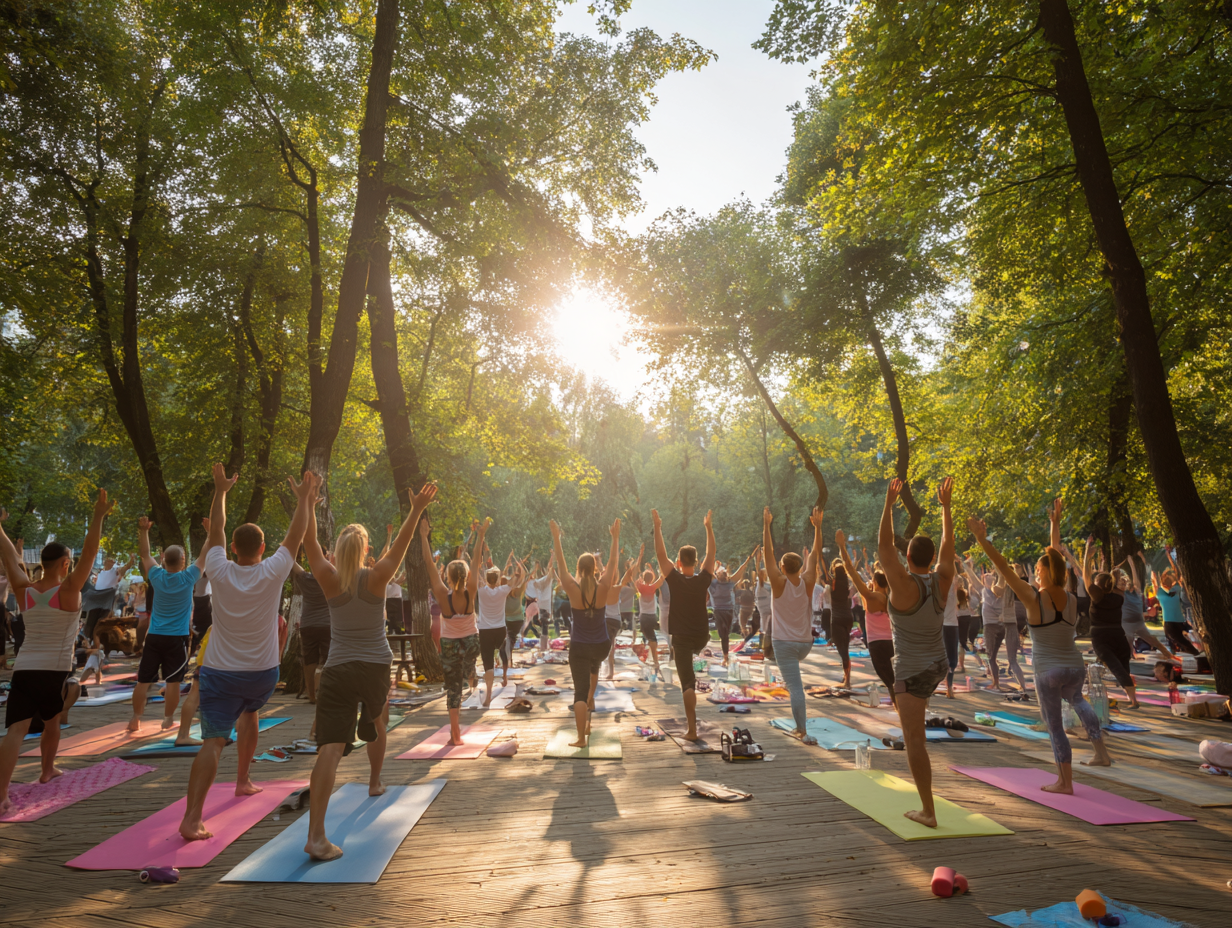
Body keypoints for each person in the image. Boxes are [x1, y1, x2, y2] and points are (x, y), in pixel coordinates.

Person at [178, 464, 317, 842]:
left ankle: (192, 819)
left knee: (213, 741)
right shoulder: (274, 570)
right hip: (261, 672)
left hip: (220, 671)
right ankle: (243, 780)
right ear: (262, 547)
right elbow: (296, 535)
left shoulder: (219, 568)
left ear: (234, 549)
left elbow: (218, 531)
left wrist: (221, 491)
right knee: (252, 712)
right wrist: (304, 499)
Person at [300, 481, 436, 861]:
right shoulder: (377, 578)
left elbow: (308, 541)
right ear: (364, 551)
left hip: (338, 669)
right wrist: (415, 509)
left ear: (339, 551)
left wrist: (307, 503)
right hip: (375, 665)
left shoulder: (327, 578)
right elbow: (404, 543)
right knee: (376, 720)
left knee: (329, 749)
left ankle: (315, 836)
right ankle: (375, 782)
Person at [971, 499, 1111, 792]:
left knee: (1055, 726)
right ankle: (1101, 753)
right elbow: (1056, 557)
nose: (1034, 571)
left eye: (1037, 568)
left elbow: (1002, 568)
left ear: (1045, 572)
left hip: (1048, 670)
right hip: (1074, 666)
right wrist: (1054, 525)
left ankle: (1065, 782)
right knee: (1079, 702)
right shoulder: (1071, 597)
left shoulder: (1034, 598)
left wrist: (983, 540)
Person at [0, 491, 111, 814]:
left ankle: (10, 790)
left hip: (25, 668)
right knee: (52, 721)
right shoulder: (68, 589)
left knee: (17, 731)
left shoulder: (24, 590)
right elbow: (91, 551)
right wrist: (98, 515)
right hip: (55, 670)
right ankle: (46, 770)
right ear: (65, 564)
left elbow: (9, 556)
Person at [879, 477, 955, 829]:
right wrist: (945, 508)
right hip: (939, 664)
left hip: (912, 672)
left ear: (908, 555)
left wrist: (888, 505)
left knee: (914, 741)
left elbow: (883, 550)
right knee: (916, 736)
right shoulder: (941, 580)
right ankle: (926, 806)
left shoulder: (904, 585)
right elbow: (947, 550)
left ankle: (928, 811)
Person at [127, 516, 209, 733]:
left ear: (164, 559)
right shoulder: (188, 577)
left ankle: (135, 718)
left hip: (154, 637)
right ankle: (168, 718)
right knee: (173, 682)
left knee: (143, 681)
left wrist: (143, 530)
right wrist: (210, 533)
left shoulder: (156, 576)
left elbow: (144, 554)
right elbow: (204, 555)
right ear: (183, 560)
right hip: (177, 639)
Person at [551, 518, 621, 747]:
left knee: (579, 693)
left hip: (580, 647)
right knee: (592, 678)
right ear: (595, 568)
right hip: (601, 646)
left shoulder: (571, 588)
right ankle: (589, 722)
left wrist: (557, 537)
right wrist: (615, 537)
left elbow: (560, 564)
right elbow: (612, 561)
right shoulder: (603, 588)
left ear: (579, 569)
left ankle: (581, 738)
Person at [652, 508, 716, 742]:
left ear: (678, 562)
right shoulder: (702, 579)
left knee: (687, 683)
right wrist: (708, 528)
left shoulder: (675, 579)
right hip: (701, 636)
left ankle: (692, 730)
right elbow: (712, 553)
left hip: (682, 637)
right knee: (690, 662)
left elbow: (660, 554)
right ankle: (691, 727)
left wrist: (657, 527)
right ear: (696, 562)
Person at [421, 516, 485, 744]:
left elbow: (429, 564)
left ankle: (455, 733)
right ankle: (470, 670)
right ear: (466, 577)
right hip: (471, 643)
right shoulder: (471, 591)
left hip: (449, 644)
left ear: (447, 577)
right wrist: (481, 534)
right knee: (467, 664)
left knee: (453, 689)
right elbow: (476, 559)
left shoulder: (441, 593)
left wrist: (423, 537)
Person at [763, 506, 823, 743]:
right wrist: (817, 528)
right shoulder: (808, 581)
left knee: (795, 688)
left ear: (783, 567)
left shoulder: (778, 583)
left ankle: (802, 729)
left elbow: (767, 553)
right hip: (805, 644)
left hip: (784, 645)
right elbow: (816, 554)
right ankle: (800, 727)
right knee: (794, 684)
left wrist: (766, 525)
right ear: (800, 567)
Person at [1082, 537, 1139, 709]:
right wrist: (1114, 575)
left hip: (1101, 636)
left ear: (1098, 586)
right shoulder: (1119, 596)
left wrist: (1087, 554)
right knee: (1122, 666)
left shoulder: (1097, 597)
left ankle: (1132, 700)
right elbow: (1112, 585)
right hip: (1118, 635)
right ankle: (1133, 699)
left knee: (1115, 667)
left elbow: (1086, 576)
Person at [838, 533, 894, 696]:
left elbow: (849, 569)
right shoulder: (892, 598)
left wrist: (842, 546)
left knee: (890, 682)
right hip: (892, 643)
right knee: (894, 682)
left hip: (877, 644)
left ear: (875, 582)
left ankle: (904, 713)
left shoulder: (870, 597)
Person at [476, 556, 522, 706]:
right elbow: (517, 579)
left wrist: (477, 566)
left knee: (488, 663)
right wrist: (518, 568)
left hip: (485, 631)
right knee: (502, 652)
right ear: (497, 580)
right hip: (500, 630)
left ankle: (488, 695)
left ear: (486, 579)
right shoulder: (503, 590)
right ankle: (503, 674)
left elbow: (475, 576)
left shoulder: (481, 591)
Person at [289, 556, 333, 704]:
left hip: (308, 625)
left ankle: (311, 695)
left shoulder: (305, 579)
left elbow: (291, 561)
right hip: (328, 625)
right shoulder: (331, 579)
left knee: (309, 660)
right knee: (326, 659)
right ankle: (322, 689)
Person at [1121, 553, 1173, 661]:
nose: (1127, 584)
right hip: (1127, 623)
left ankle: (1168, 654)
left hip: (1138, 622)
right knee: (1128, 640)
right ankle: (1129, 657)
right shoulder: (1122, 594)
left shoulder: (1137, 592)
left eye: (1127, 582)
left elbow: (1136, 579)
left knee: (1151, 639)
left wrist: (1132, 564)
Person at [1153, 550, 1201, 656]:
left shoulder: (1160, 593)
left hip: (1170, 622)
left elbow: (1158, 582)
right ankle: (1188, 652)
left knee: (1175, 639)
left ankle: (1194, 653)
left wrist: (1155, 575)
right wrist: (1169, 557)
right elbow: (1176, 573)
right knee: (1178, 639)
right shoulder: (1177, 589)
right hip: (1179, 621)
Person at [603, 548, 640, 680]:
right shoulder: (618, 588)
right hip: (616, 621)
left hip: (607, 621)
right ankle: (610, 672)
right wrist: (634, 563)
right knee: (611, 646)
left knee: (605, 647)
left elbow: (605, 572)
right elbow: (628, 575)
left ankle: (607, 671)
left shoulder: (603, 588)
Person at [828, 556, 855, 688]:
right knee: (846, 648)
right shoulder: (846, 585)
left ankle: (847, 682)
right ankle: (846, 678)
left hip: (837, 619)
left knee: (843, 651)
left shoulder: (833, 586)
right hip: (848, 618)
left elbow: (823, 571)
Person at [635, 565, 666, 674]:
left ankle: (655, 661)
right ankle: (651, 658)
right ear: (652, 578)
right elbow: (662, 578)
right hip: (652, 616)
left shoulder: (640, 587)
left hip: (644, 616)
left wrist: (637, 566)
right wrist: (660, 568)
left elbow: (634, 578)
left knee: (651, 639)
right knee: (650, 638)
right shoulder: (653, 587)